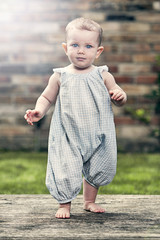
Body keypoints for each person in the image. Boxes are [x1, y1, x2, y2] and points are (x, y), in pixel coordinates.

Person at [24, 17, 127, 219]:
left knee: (97, 165)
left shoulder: (103, 75)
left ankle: (89, 201)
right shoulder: (60, 76)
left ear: (98, 51)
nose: (81, 50)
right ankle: (65, 204)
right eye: (75, 45)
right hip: (68, 133)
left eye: (88, 46)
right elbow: (46, 97)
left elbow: (116, 93)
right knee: (66, 167)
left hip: (98, 133)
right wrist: (39, 111)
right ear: (65, 48)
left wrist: (120, 96)